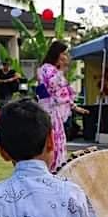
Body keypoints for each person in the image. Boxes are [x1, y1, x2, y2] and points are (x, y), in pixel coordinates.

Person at [36, 41, 88, 171]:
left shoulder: (48, 69)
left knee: (55, 139)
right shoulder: (49, 70)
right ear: (57, 54)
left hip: (50, 110)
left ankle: (54, 167)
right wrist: (61, 70)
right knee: (53, 140)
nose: (66, 56)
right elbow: (55, 91)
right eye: (64, 53)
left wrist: (73, 106)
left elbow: (60, 92)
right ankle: (53, 167)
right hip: (50, 111)